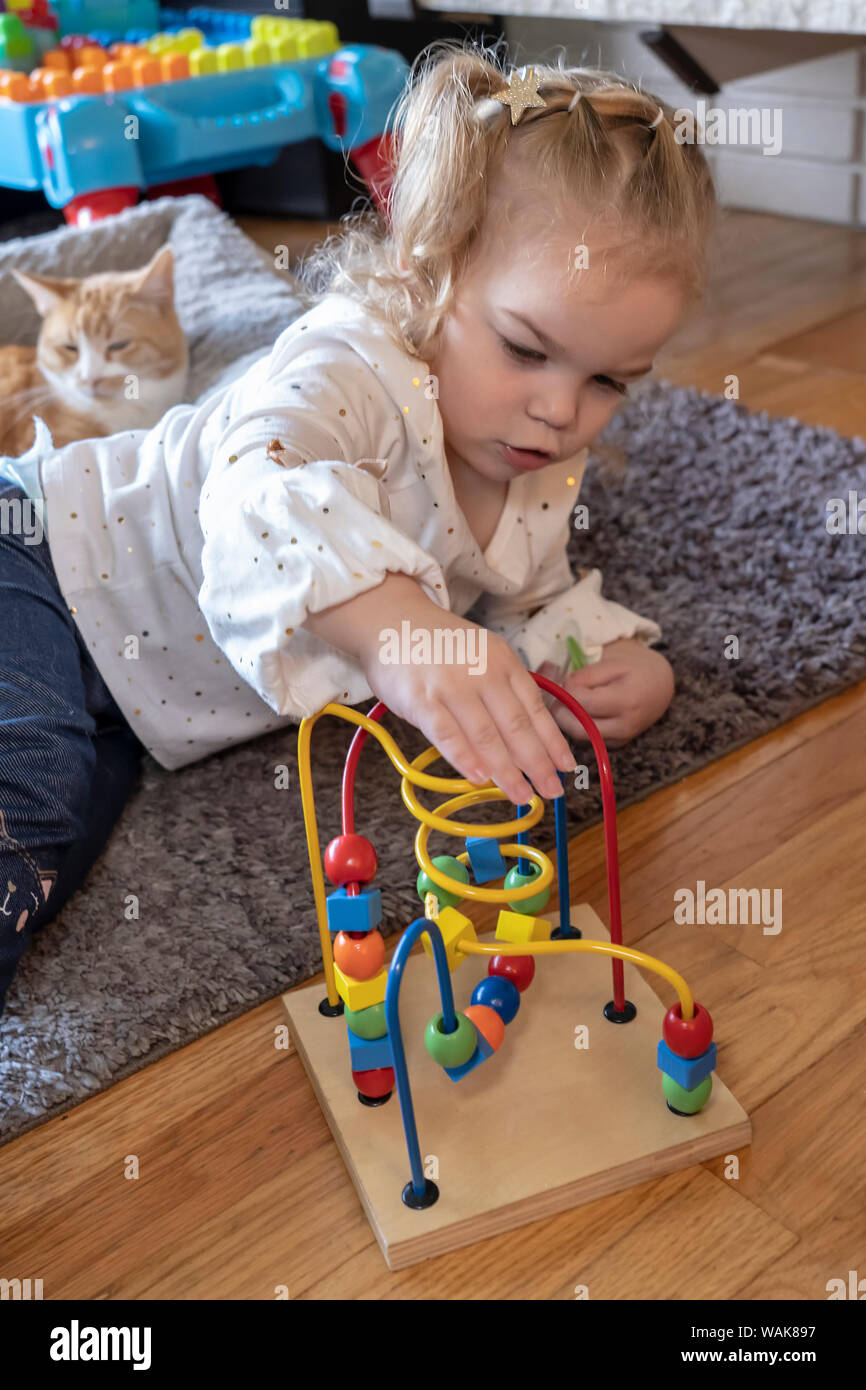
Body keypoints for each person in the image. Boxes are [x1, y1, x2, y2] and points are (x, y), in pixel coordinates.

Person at [0, 40, 717, 1017]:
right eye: (525, 348)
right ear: (430, 271)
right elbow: (258, 491)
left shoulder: (537, 462)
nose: (559, 411)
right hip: (42, 547)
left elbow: (527, 596)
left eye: (605, 381)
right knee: (29, 792)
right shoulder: (347, 365)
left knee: (56, 844)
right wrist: (393, 632)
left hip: (134, 691)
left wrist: (619, 657)